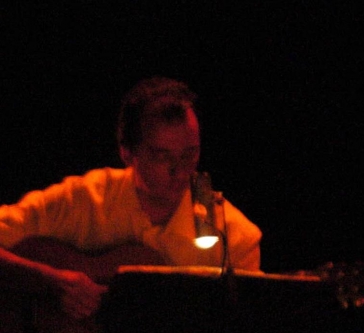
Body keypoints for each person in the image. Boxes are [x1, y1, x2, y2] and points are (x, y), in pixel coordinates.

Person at [0, 77, 262, 325]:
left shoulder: (235, 239)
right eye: (163, 157)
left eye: (189, 155)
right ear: (127, 152)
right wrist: (51, 281)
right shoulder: (84, 199)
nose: (180, 171)